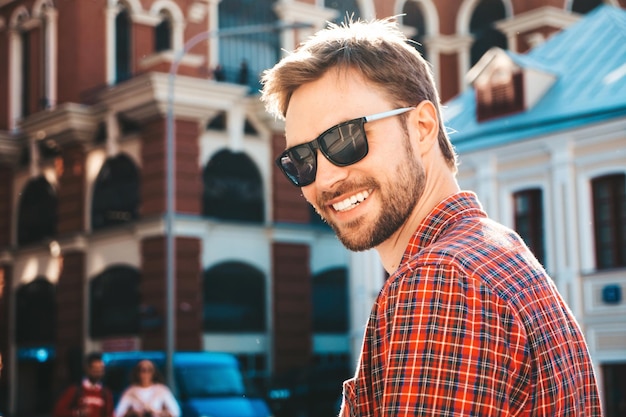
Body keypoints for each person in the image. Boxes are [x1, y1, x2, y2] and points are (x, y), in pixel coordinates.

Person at [260, 18, 602, 416]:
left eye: (345, 138)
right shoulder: (491, 252)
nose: (326, 177)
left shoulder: (442, 279)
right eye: (301, 160)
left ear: (422, 127)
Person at [53, 352, 114, 417]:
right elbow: (58, 412)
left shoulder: (106, 393)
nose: (98, 373)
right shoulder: (75, 390)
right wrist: (77, 413)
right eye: (95, 369)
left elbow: (109, 414)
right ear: (88, 369)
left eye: (101, 369)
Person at [114, 360, 180, 417]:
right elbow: (118, 413)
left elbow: (176, 412)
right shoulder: (130, 391)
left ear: (153, 373)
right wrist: (133, 413)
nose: (146, 374)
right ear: (138, 373)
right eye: (143, 370)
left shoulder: (161, 390)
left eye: (149, 370)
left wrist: (158, 412)